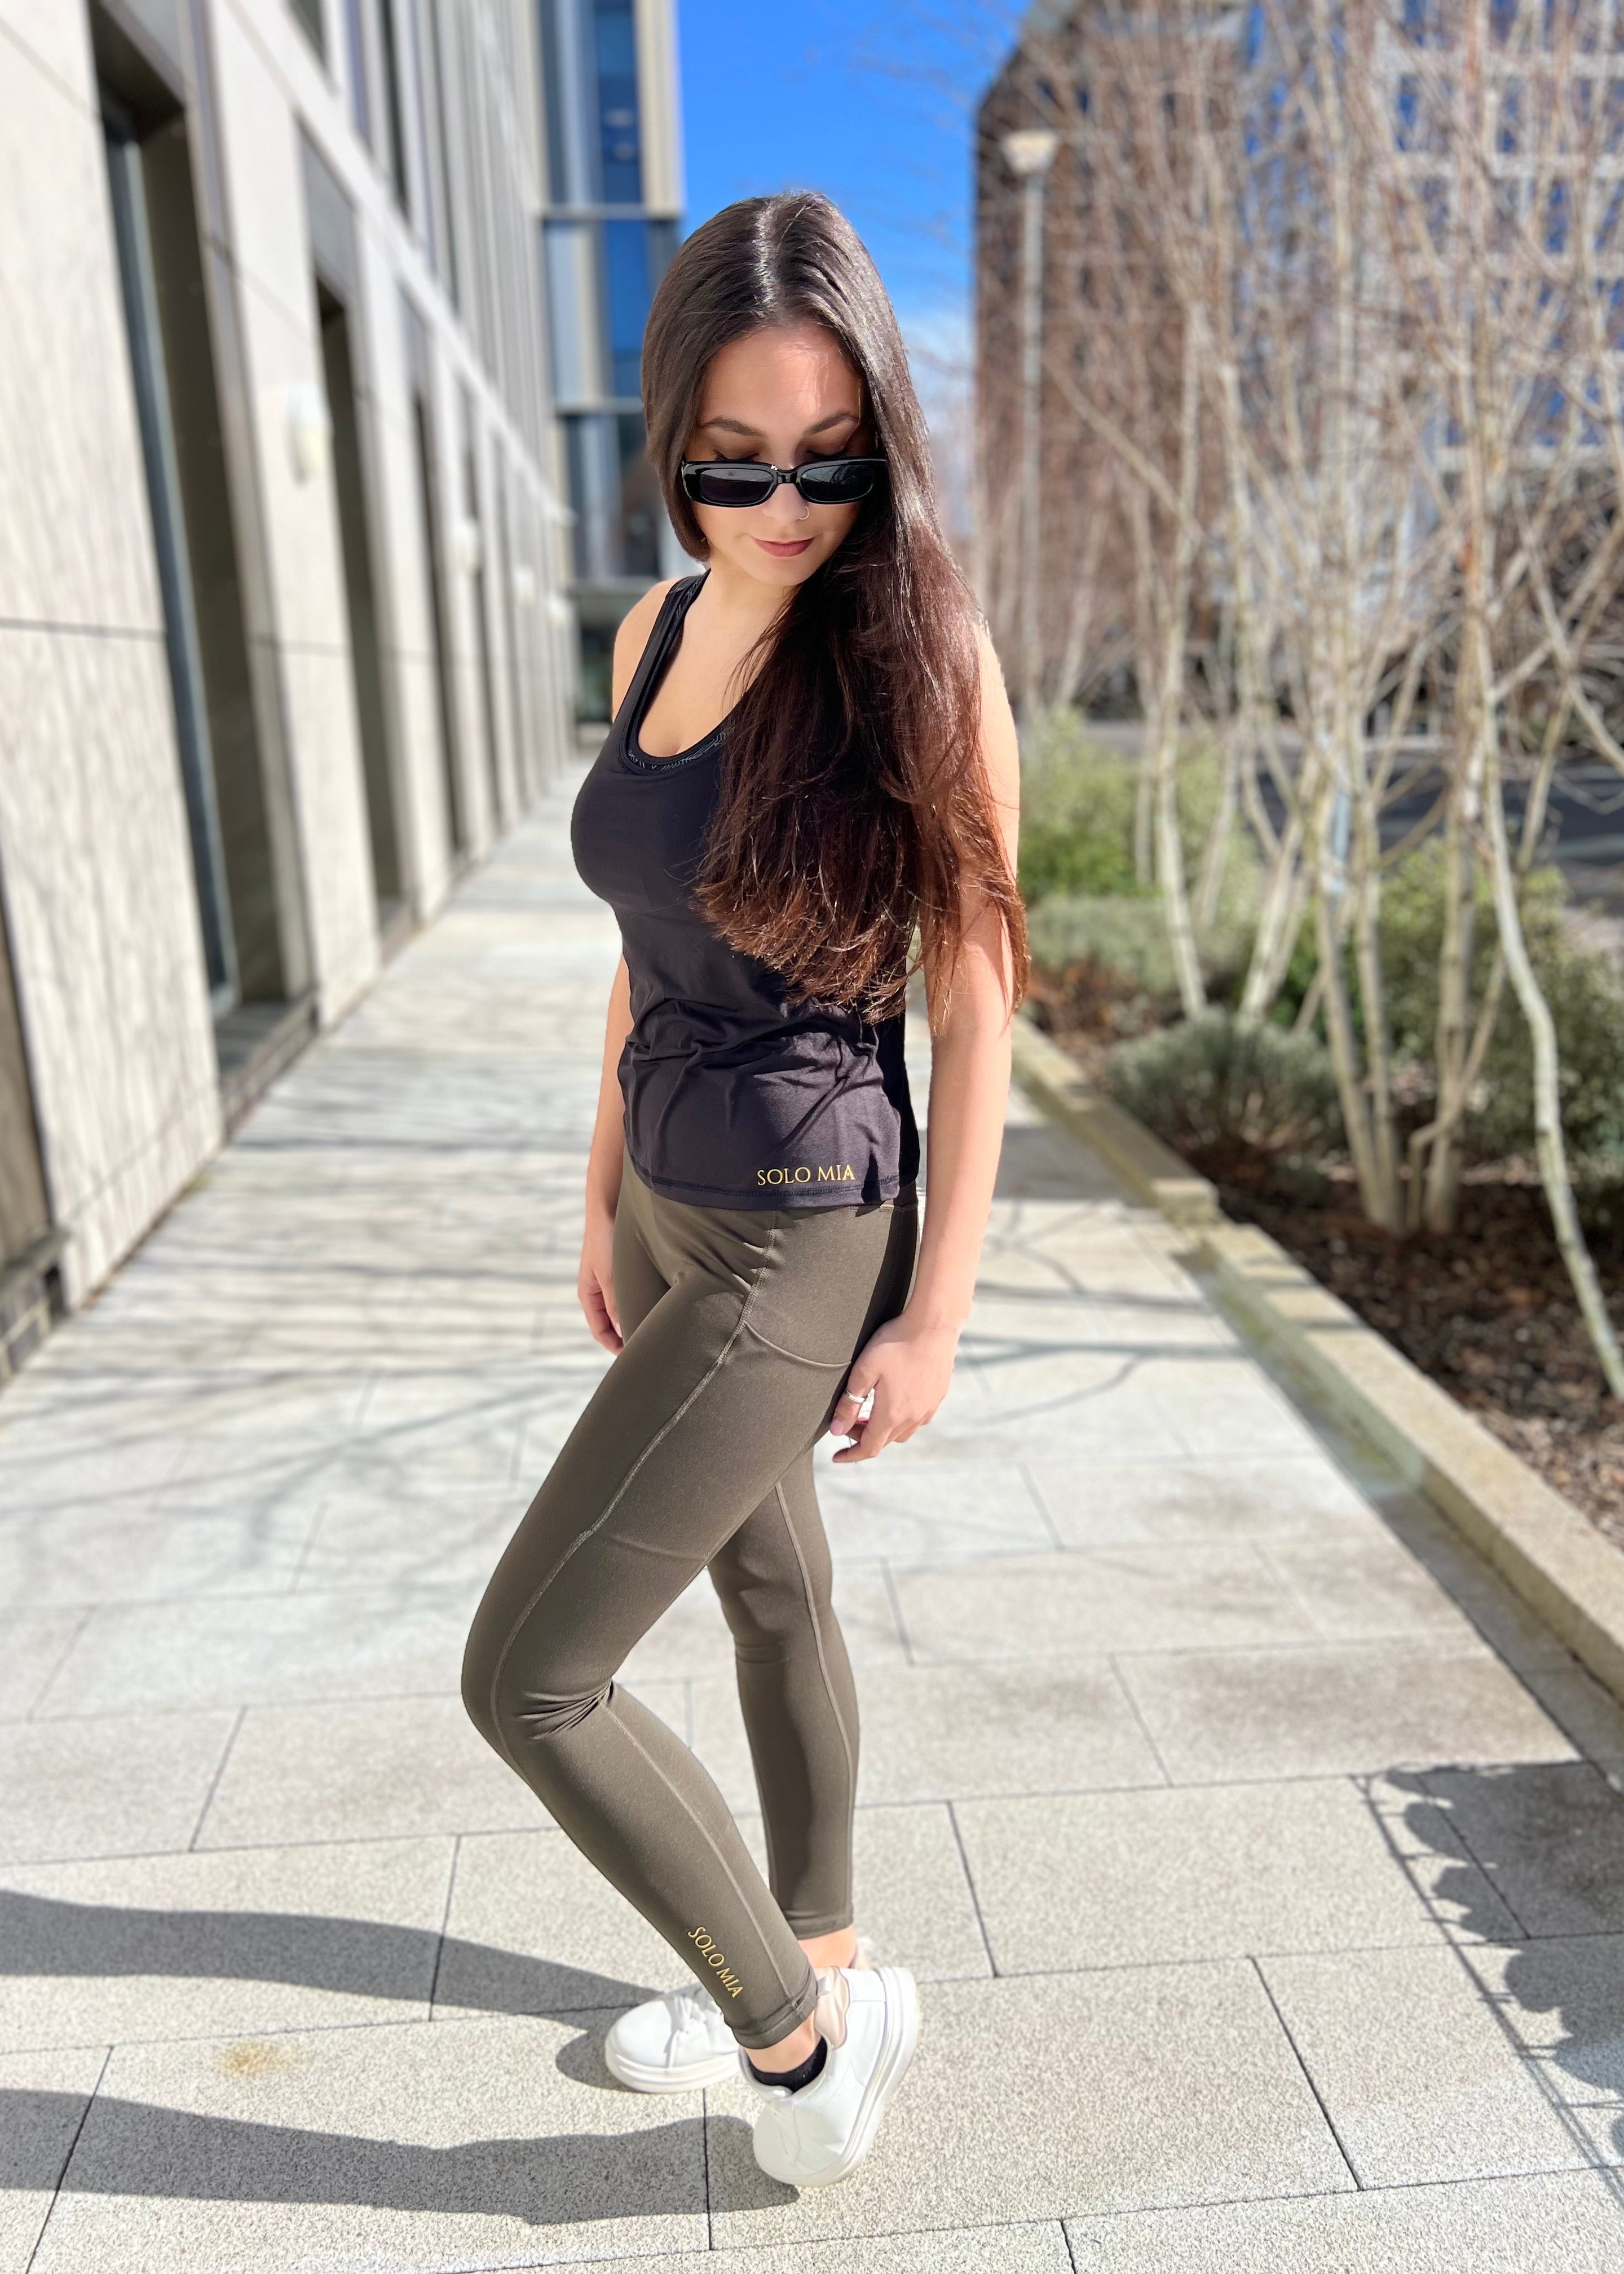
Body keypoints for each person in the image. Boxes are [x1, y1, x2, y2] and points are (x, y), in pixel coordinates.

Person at [462, 188, 1025, 2191]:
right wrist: (598, 1188)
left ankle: (798, 2035)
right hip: (668, 1202)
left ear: (879, 442)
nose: (782, 505)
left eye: (827, 461)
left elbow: (976, 995)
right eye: (733, 461)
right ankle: (829, 1943)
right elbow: (642, 938)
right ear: (668, 443)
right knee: (772, 1589)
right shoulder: (658, 626)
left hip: (804, 1227)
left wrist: (936, 1313)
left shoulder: (917, 662)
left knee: (528, 1673)